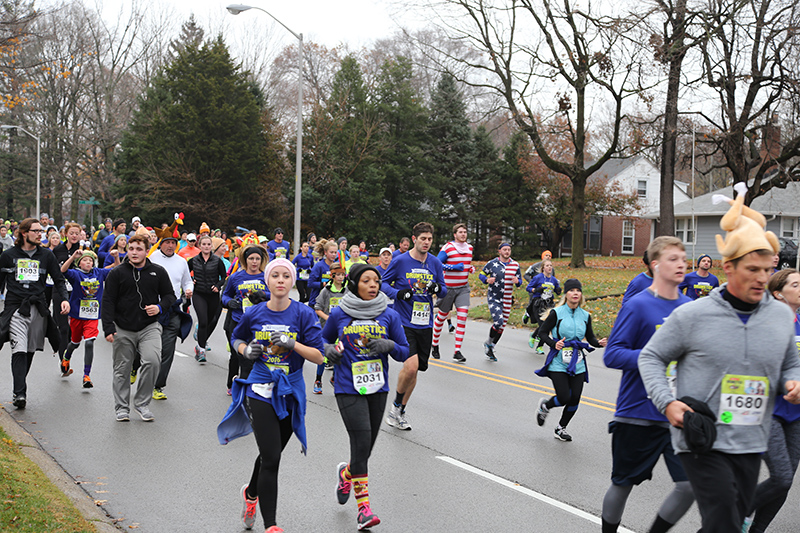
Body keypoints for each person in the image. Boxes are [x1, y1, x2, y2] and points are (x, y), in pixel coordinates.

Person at [638, 185, 800, 532]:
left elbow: (790, 361)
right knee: (725, 518)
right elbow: (651, 357)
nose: (761, 278)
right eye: (752, 269)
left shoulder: (780, 317)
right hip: (702, 438)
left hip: (751, 441)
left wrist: (793, 380)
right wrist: (666, 402)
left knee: (725, 522)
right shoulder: (692, 315)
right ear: (728, 267)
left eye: (767, 269)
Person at [217, 258, 324, 533]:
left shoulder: (303, 314)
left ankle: (250, 494)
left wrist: (293, 344)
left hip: (290, 391)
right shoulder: (254, 313)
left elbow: (319, 354)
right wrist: (245, 351)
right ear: (267, 281)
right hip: (260, 388)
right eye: (274, 275)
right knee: (272, 457)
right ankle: (271, 525)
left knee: (269, 454)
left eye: (285, 276)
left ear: (291, 282)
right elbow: (236, 338)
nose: (280, 280)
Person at [601, 237, 694, 533]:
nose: (682, 264)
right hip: (638, 411)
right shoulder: (639, 305)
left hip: (678, 413)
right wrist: (654, 355)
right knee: (623, 483)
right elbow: (612, 354)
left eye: (683, 258)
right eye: (673, 258)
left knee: (689, 486)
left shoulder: (690, 307)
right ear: (655, 265)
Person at [323, 263, 409, 530]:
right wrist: (329, 351)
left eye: (376, 281)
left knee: (366, 448)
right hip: (348, 386)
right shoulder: (339, 314)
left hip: (377, 387)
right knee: (360, 442)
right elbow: (320, 341)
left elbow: (405, 351)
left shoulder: (389, 314)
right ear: (355, 285)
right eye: (367, 281)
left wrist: (390, 345)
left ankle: (346, 473)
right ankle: (364, 510)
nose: (373, 285)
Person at [745, 269, 800, 532]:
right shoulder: (765, 323)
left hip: (796, 413)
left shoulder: (799, 322)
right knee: (781, 477)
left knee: (786, 482)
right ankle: (735, 513)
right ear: (778, 293)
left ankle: (755, 529)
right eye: (796, 284)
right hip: (768, 411)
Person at [102, 235, 175, 421]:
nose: (134, 252)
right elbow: (108, 301)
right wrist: (108, 328)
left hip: (149, 327)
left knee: (152, 361)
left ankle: (142, 404)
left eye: (139, 249)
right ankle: (122, 408)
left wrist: (159, 307)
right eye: (131, 248)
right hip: (122, 327)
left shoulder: (158, 272)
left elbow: (169, 296)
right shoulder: (117, 273)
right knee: (122, 368)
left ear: (146, 251)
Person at [381, 222, 446, 430]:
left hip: (425, 322)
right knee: (410, 367)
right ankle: (394, 408)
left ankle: (400, 411)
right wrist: (397, 293)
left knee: (415, 371)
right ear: (414, 238)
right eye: (423, 238)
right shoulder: (400, 261)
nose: (426, 242)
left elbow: (444, 290)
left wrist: (437, 287)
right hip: (403, 321)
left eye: (429, 239)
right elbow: (382, 283)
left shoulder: (435, 263)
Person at [0, 219, 70, 408]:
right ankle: (19, 393)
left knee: (30, 350)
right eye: (36, 231)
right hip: (16, 309)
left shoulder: (46, 255)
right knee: (19, 348)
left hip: (38, 309)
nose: (40, 234)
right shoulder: (8, 256)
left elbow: (59, 279)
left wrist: (64, 299)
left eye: (41, 231)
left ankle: (19, 388)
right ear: (24, 233)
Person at [534, 278, 607, 441]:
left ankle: (560, 428)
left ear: (581, 295)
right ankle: (546, 406)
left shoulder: (585, 316)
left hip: (577, 361)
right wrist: (554, 343)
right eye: (572, 290)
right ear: (566, 294)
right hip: (558, 361)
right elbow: (542, 333)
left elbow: (590, 338)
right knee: (564, 397)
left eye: (578, 291)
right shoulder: (557, 313)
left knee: (575, 399)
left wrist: (599, 343)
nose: (575, 293)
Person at [59, 248, 119, 388]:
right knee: (75, 342)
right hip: (76, 314)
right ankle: (66, 357)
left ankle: (86, 375)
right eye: (85, 260)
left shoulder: (99, 273)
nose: (88, 262)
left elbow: (116, 267)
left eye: (90, 260)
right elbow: (63, 270)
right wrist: (73, 256)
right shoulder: (75, 274)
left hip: (92, 316)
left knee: (90, 342)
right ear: (80, 264)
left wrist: (116, 257)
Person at [146, 232, 194, 400]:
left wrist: (189, 290)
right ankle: (135, 366)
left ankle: (158, 386)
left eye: (173, 243)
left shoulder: (181, 262)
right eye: (167, 242)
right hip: (152, 310)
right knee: (148, 350)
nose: (170, 246)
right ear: (161, 243)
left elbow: (187, 281)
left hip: (173, 309)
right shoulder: (152, 258)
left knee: (168, 350)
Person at [222, 244, 269, 392]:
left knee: (251, 357)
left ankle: (245, 386)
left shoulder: (266, 277)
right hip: (238, 321)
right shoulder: (236, 277)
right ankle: (233, 383)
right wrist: (229, 302)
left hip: (258, 323)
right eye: (251, 259)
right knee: (238, 356)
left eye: (257, 259)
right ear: (245, 260)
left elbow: (274, 294)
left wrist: (263, 296)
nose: (254, 262)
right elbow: (225, 295)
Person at [431, 223, 474, 364]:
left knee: (462, 318)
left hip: (463, 288)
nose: (463, 234)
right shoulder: (448, 247)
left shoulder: (470, 248)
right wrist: (453, 267)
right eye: (460, 232)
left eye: (465, 232)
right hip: (447, 288)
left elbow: (467, 264)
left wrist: (470, 268)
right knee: (442, 317)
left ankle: (457, 351)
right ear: (455, 234)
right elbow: (436, 263)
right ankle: (435, 344)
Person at [478, 242, 522, 361]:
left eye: (509, 250)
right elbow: (481, 275)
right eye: (504, 250)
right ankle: (488, 342)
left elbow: (520, 282)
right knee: (498, 321)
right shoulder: (492, 263)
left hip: (507, 299)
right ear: (500, 251)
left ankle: (491, 347)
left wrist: (517, 281)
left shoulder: (515, 265)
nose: (507, 252)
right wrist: (487, 280)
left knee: (502, 326)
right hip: (494, 297)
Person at [187, 234, 227, 362]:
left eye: (208, 244)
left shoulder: (217, 261)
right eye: (203, 244)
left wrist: (218, 286)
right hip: (199, 294)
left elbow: (223, 277)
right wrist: (191, 280)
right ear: (199, 246)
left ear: (211, 246)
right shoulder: (194, 260)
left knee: (209, 322)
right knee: (203, 321)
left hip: (213, 295)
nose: (206, 246)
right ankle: (201, 350)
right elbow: (185, 273)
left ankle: (200, 344)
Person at [313, 261, 347, 393]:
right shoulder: (325, 291)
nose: (340, 277)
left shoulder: (347, 291)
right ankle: (318, 380)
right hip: (327, 328)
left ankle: (334, 378)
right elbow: (317, 308)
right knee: (324, 355)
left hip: (342, 329)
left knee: (340, 353)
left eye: (342, 275)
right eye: (337, 275)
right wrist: (329, 319)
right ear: (332, 276)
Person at [525, 259, 561, 354]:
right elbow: (528, 288)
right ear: (543, 268)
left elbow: (557, 290)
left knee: (547, 326)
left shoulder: (553, 279)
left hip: (548, 304)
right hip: (538, 303)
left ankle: (538, 344)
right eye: (547, 265)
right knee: (542, 325)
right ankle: (536, 340)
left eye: (551, 265)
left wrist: (558, 290)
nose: (550, 267)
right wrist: (536, 290)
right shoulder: (538, 278)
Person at [308, 239, 339, 309]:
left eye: (335, 252)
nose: (333, 254)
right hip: (316, 302)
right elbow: (310, 283)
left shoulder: (337, 266)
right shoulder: (319, 266)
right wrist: (323, 284)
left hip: (330, 302)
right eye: (331, 252)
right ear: (325, 252)